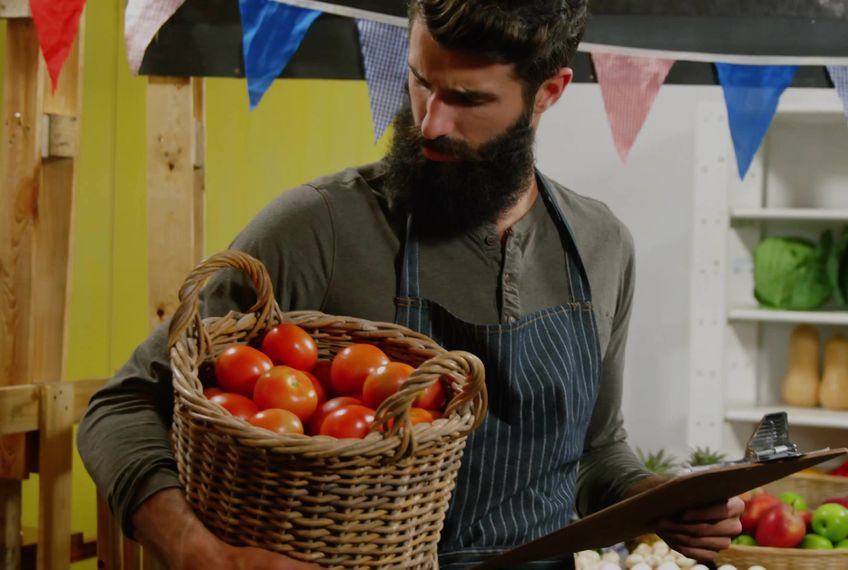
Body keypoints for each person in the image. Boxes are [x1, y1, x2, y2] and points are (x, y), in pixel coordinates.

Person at [77, 0, 744, 567]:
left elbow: (596, 453)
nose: (431, 121)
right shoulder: (321, 229)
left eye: (467, 99)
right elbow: (124, 406)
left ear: (549, 92)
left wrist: (659, 501)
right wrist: (198, 551)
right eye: (422, 82)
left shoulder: (601, 247)